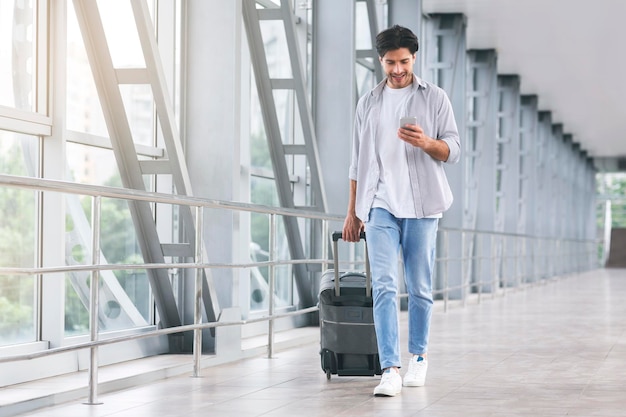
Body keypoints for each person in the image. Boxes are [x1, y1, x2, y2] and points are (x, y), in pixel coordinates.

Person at [342, 24, 460, 397]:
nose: (397, 70)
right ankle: (389, 368)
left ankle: (419, 358)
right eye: (390, 62)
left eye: (404, 62)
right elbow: (357, 163)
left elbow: (453, 150)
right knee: (385, 286)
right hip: (379, 207)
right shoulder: (368, 103)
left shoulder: (435, 97)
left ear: (414, 58)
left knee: (420, 287)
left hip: (423, 207)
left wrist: (427, 142)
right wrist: (352, 212)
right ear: (380, 60)